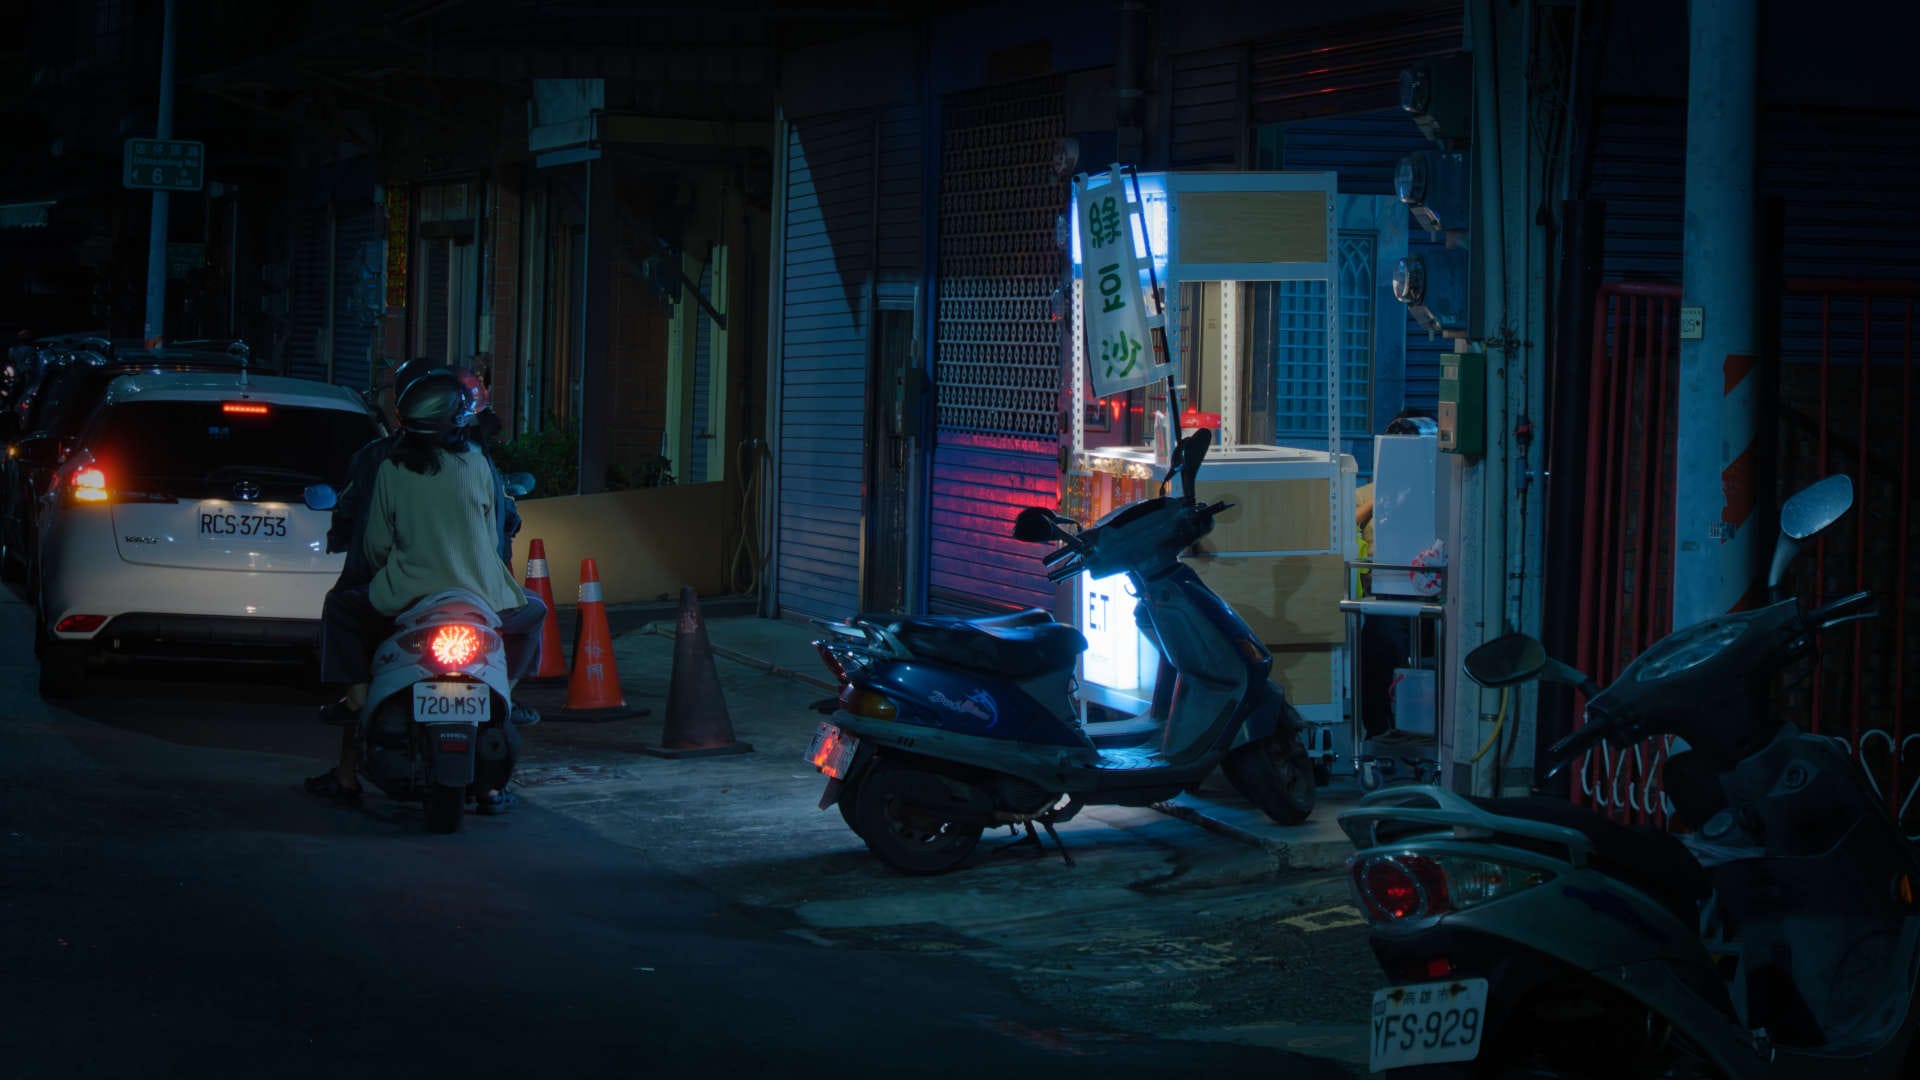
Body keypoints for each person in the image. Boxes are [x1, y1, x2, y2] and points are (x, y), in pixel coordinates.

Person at [305, 371, 548, 814]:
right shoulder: (478, 463)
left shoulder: (389, 467)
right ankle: (507, 693)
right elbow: (498, 529)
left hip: (407, 598)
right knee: (535, 612)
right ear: (458, 418)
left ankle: (356, 697)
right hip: (484, 597)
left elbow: (376, 544)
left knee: (342, 606)